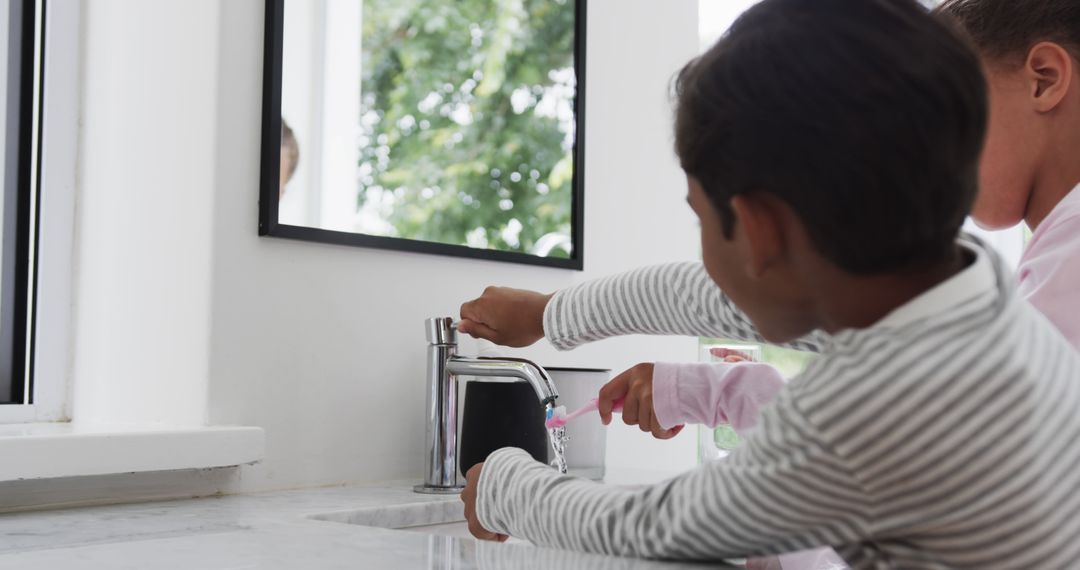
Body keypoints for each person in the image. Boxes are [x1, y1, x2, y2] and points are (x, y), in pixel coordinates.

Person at [456, 0, 1080, 566]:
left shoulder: (863, 414)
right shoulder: (980, 287)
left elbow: (662, 526)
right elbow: (725, 299)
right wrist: (557, 316)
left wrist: (508, 488)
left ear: (757, 231)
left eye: (701, 215)